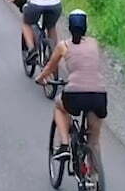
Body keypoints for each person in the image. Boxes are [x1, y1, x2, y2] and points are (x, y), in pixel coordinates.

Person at [37, 9, 106, 162]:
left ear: (69, 27)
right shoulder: (94, 43)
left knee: (59, 106)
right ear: (85, 27)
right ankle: (93, 177)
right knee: (94, 141)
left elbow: (50, 67)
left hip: (75, 94)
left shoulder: (64, 46)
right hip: (99, 95)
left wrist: (41, 78)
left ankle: (64, 145)